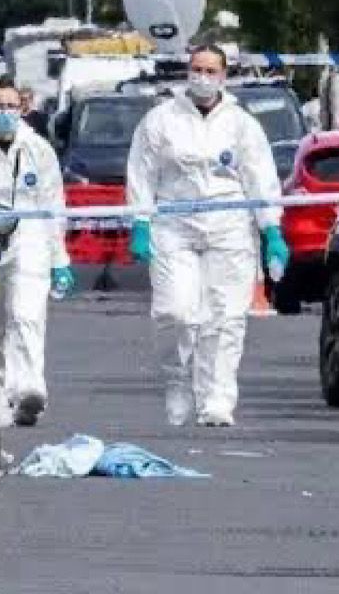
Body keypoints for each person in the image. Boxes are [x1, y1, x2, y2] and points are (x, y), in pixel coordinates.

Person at [125, 45, 288, 428]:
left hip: (229, 223)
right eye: (196, 69)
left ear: (224, 76)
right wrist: (140, 222)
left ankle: (217, 398)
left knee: (226, 315)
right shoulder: (161, 119)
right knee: (176, 312)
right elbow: (141, 173)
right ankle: (178, 381)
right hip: (174, 222)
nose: (202, 77)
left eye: (211, 70)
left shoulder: (241, 124)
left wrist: (271, 229)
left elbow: (260, 178)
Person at [0, 77, 74, 427]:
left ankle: (30, 388)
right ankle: (2, 395)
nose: (4, 113)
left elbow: (53, 206)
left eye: (10, 106)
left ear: (22, 109)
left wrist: (59, 259)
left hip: (29, 238)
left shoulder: (38, 150)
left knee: (26, 314)